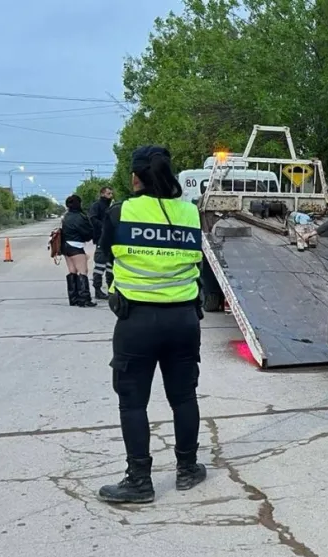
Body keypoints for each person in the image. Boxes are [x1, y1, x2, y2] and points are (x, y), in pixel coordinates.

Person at [96, 145, 206, 504]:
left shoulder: (120, 212)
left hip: (137, 322)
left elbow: (105, 257)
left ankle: (139, 481)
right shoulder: (191, 213)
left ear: (135, 176)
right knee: (184, 397)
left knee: (133, 403)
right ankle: (188, 470)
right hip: (184, 319)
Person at [60, 195, 97, 308]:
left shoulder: (66, 216)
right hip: (76, 246)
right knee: (83, 271)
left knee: (72, 270)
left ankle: (73, 298)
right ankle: (84, 299)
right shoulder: (80, 217)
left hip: (65, 246)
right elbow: (87, 232)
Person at [89, 186, 115, 300]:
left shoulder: (112, 206)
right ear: (102, 194)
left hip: (112, 239)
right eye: (109, 193)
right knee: (100, 264)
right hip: (101, 238)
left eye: (111, 193)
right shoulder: (97, 205)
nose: (111, 195)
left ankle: (111, 289)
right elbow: (93, 219)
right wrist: (104, 227)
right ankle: (97, 290)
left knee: (111, 265)